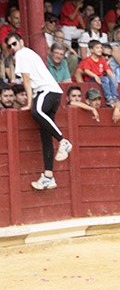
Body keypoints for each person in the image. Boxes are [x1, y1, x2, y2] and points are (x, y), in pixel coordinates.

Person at [7, 33, 71, 190]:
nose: (13, 48)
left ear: (21, 42)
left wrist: (30, 103)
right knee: (45, 136)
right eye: (10, 46)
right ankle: (48, 176)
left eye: (14, 43)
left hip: (46, 91)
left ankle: (63, 141)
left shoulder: (21, 54)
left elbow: (27, 80)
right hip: (53, 93)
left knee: (36, 112)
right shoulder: (27, 52)